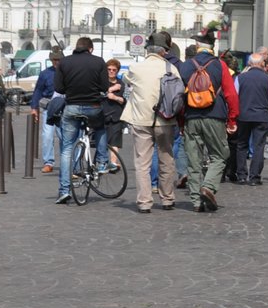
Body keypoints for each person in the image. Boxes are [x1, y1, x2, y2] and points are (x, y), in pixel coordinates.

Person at [120, 31, 180, 213]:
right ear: (164, 51)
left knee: (142, 163)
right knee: (167, 160)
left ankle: (145, 202)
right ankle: (167, 198)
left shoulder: (136, 68)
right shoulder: (171, 69)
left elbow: (125, 80)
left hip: (141, 120)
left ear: (148, 50)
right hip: (166, 120)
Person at [179, 43, 239, 213]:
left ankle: (196, 202)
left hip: (191, 117)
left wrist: (181, 122)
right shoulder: (220, 65)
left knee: (193, 160)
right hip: (215, 116)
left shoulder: (186, 66)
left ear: (197, 49)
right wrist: (232, 119)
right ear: (211, 49)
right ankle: (208, 186)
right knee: (220, 155)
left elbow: (179, 96)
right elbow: (231, 94)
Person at [52, 38, 108, 206]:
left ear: (76, 48)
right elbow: (105, 86)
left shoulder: (64, 62)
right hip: (93, 106)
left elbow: (59, 89)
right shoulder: (98, 62)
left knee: (66, 148)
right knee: (101, 128)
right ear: (90, 49)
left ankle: (64, 191)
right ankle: (102, 162)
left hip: (72, 107)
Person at [235, 52, 268, 186]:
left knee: (242, 145)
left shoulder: (240, 78)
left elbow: (234, 97)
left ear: (249, 64)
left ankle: (242, 175)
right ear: (262, 64)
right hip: (261, 116)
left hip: (243, 115)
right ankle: (255, 177)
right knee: (258, 146)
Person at [28, 49, 62, 173]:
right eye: (54, 59)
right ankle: (48, 162)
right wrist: (34, 108)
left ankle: (66, 161)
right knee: (47, 136)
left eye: (58, 59)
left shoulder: (67, 72)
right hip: (49, 107)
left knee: (64, 136)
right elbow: (38, 91)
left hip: (63, 107)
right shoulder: (45, 74)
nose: (56, 62)